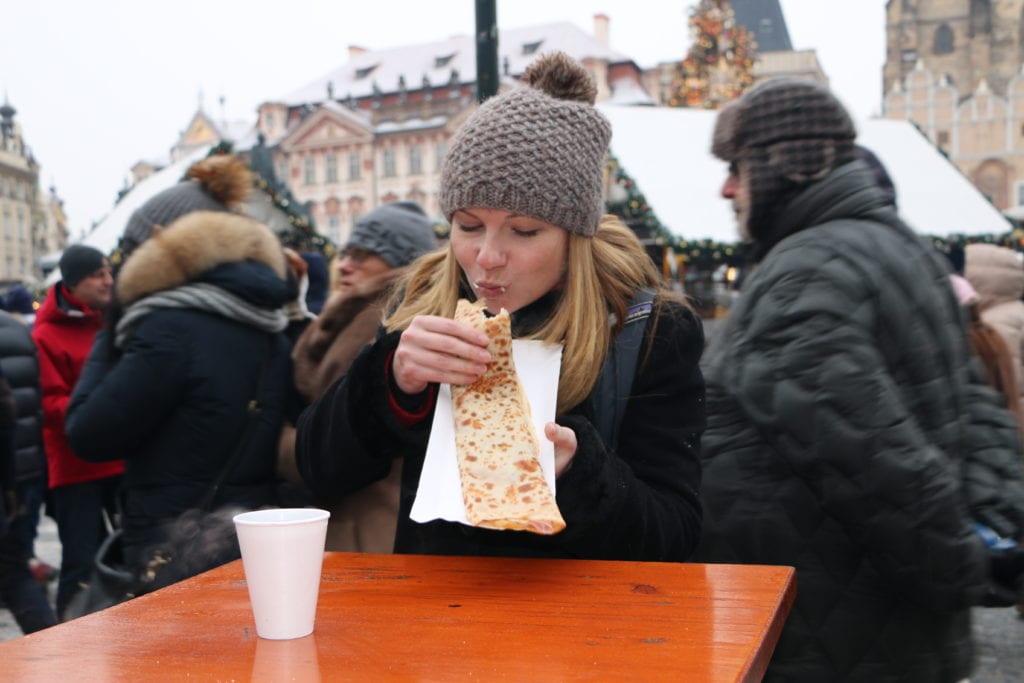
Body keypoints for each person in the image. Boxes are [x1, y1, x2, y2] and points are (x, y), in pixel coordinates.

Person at [295, 52, 705, 561]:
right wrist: (390, 381)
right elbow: (317, 469)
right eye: (467, 226)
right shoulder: (422, 304)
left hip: (579, 631)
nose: (486, 258)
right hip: (432, 619)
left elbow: (675, 535)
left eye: (524, 230)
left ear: (573, 235)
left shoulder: (644, 330)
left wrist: (578, 476)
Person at [695, 78, 991, 682]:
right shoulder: (896, 247)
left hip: (836, 644)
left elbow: (878, 465)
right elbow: (975, 417)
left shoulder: (809, 272)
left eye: (737, 167)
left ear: (784, 166)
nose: (727, 187)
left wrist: (957, 573)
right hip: (890, 638)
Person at [65, 154, 293, 591]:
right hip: (248, 544)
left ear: (166, 250)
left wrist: (112, 326)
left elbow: (87, 433)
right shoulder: (269, 326)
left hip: (170, 547)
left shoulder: (168, 330)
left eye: (133, 249)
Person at [287, 201, 436, 553]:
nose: (345, 264)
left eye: (364, 254)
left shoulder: (381, 319)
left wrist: (274, 440)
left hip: (369, 524)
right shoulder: (353, 311)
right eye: (346, 253)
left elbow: (352, 428)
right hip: (354, 518)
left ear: (399, 261)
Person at [32, 245, 120, 620]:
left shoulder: (111, 320)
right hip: (74, 466)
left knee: (128, 554)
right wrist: (102, 408)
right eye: (98, 274)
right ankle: (69, 635)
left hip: (119, 459)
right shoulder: (45, 335)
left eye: (108, 272)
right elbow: (50, 405)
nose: (108, 280)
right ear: (74, 282)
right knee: (80, 563)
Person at [0, 308, 57, 632]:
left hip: (13, 471)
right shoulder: (19, 329)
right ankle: (54, 659)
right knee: (14, 570)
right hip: (23, 471)